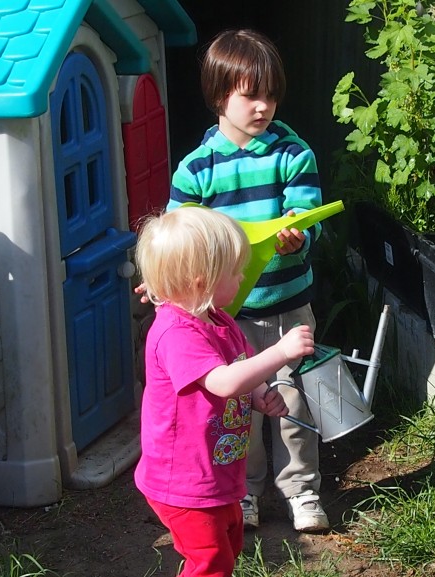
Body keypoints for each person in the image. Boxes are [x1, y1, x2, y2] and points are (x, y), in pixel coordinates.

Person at [167, 28, 330, 533]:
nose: (264, 107)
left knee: (293, 399)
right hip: (227, 313)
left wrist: (298, 235)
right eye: (251, 95)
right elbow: (179, 239)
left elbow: (309, 216)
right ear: (220, 95)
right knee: (239, 406)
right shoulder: (198, 169)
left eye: (272, 95)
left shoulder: (292, 153)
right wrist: (165, 285)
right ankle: (244, 490)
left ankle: (301, 490)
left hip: (287, 305)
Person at [133, 206, 314, 577]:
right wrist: (279, 353)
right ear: (203, 281)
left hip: (215, 474)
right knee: (210, 560)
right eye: (236, 271)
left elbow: (237, 363)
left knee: (227, 547)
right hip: (183, 481)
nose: (243, 276)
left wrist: (260, 391)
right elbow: (223, 382)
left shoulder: (217, 319)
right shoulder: (177, 334)